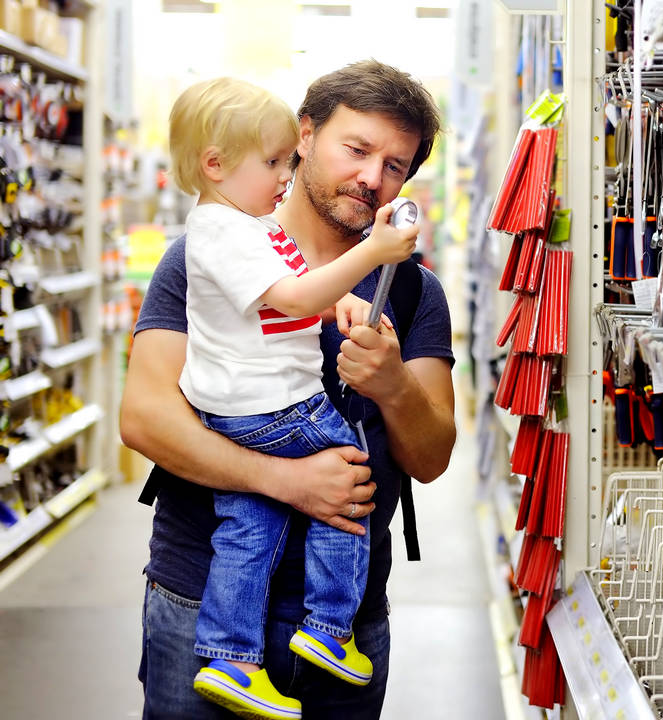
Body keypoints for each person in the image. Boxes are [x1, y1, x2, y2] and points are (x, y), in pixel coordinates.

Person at [121, 60, 455, 720]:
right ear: (303, 135)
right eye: (356, 149)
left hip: (348, 619)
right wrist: (287, 481)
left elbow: (432, 455)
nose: (371, 177)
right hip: (197, 602)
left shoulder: (414, 291)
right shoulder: (204, 256)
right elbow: (146, 418)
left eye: (395, 165)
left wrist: (393, 386)